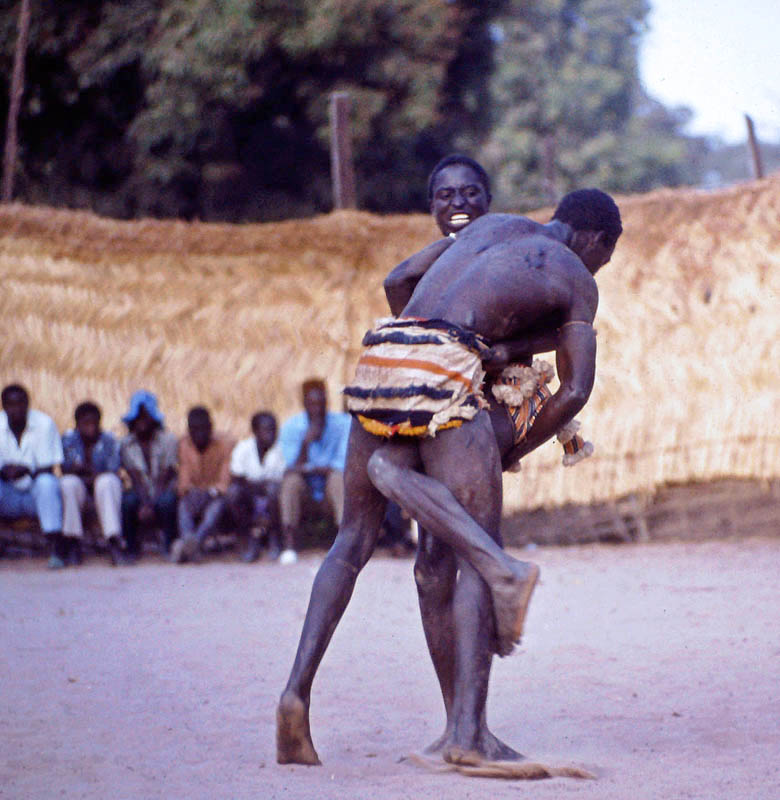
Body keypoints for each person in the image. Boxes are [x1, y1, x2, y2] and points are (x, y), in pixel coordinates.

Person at [276, 189, 622, 767]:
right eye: (605, 255)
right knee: (474, 554)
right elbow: (577, 388)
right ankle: (469, 729)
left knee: (350, 542)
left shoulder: (492, 227)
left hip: (386, 353)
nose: (600, 266)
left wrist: (463, 339)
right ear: (597, 239)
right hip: (445, 367)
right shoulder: (576, 277)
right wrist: (512, 443)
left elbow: (399, 278)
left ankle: (294, 694)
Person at [277, 379, 350, 566]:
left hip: (329, 490)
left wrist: (312, 468)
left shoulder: (343, 424)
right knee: (291, 481)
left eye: (321, 403)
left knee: (338, 479)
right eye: (312, 404)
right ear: (304, 404)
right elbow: (290, 466)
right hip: (306, 491)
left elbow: (341, 464)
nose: (317, 409)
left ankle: (344, 545)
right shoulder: (292, 427)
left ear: (327, 402)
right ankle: (289, 546)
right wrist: (305, 443)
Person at [0, 384, 66, 569]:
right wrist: (4, 472)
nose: (16, 409)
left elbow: (48, 466)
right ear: (3, 406)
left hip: (35, 496)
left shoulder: (44, 424)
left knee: (47, 483)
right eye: (11, 405)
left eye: (21, 403)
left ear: (27, 404)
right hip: (7, 494)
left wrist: (26, 470)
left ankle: (55, 547)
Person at [60, 401, 128, 565]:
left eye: (94, 423)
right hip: (81, 490)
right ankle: (73, 541)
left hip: (102, 490)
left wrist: (85, 470)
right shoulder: (68, 440)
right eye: (85, 424)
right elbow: (65, 468)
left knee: (107, 481)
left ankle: (113, 540)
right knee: (68, 483)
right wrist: (88, 472)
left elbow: (113, 468)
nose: (90, 428)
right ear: (77, 424)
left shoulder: (109, 440)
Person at [170, 406, 234, 564]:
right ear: (188, 430)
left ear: (210, 428)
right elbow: (183, 481)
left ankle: (191, 544)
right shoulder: (184, 446)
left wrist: (210, 492)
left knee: (215, 508)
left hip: (215, 495)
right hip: (194, 494)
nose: (199, 434)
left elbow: (225, 482)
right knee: (184, 505)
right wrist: (190, 491)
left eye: (203, 429)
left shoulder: (224, 445)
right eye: (194, 429)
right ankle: (191, 544)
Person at [119, 390, 178, 559]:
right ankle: (131, 548)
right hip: (141, 491)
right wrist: (145, 503)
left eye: (146, 416)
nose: (142, 421)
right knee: (129, 502)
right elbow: (134, 477)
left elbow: (165, 475)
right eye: (138, 417)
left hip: (162, 488)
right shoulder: (126, 444)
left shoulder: (168, 440)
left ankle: (168, 545)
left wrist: (151, 505)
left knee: (167, 501)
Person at [226, 411, 286, 563]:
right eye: (266, 430)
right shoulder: (243, 448)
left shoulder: (279, 450)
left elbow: (280, 479)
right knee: (234, 493)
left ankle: (274, 538)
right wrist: (259, 486)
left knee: (274, 491)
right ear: (255, 431)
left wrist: (259, 485)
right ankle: (247, 540)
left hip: (270, 499)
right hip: (248, 497)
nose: (271, 435)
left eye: (273, 430)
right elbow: (236, 477)